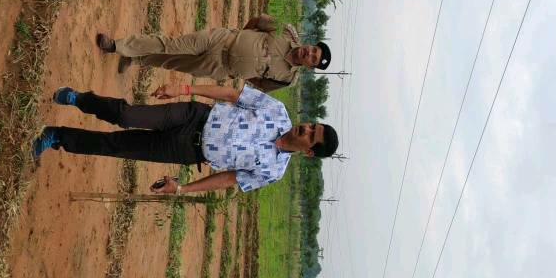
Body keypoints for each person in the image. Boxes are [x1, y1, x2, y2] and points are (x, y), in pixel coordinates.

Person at [32, 81, 339, 195]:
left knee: (116, 147)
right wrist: (185, 89)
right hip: (193, 116)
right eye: (312, 125)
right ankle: (79, 98)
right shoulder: (277, 111)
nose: (306, 128)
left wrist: (181, 188)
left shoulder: (273, 171)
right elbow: (232, 94)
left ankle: (57, 136)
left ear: (309, 152)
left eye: (311, 135)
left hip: (185, 151)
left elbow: (228, 179)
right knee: (127, 116)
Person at [95, 13, 331, 92]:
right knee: (171, 45)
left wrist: (239, 69)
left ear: (310, 66)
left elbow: (260, 83)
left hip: (220, 68)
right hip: (221, 40)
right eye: (313, 49)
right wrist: (239, 37)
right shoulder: (286, 31)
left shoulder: (287, 79)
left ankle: (135, 58)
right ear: (311, 45)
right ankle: (117, 45)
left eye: (313, 58)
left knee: (172, 62)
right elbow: (258, 20)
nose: (309, 53)